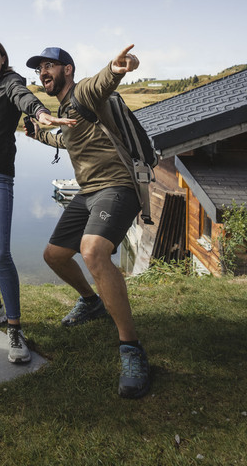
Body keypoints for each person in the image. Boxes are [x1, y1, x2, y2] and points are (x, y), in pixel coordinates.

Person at [24, 45, 151, 399]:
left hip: (117, 186)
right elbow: (65, 138)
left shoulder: (83, 93)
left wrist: (118, 67)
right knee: (54, 255)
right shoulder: (66, 110)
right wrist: (36, 133)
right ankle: (91, 302)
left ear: (67, 69)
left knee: (93, 251)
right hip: (88, 191)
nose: (42, 73)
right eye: (39, 70)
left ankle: (132, 349)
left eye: (48, 66)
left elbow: (103, 82)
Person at [0, 30, 75, 364]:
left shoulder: (10, 82)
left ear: (3, 58)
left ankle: (15, 328)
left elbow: (24, 98)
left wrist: (40, 114)